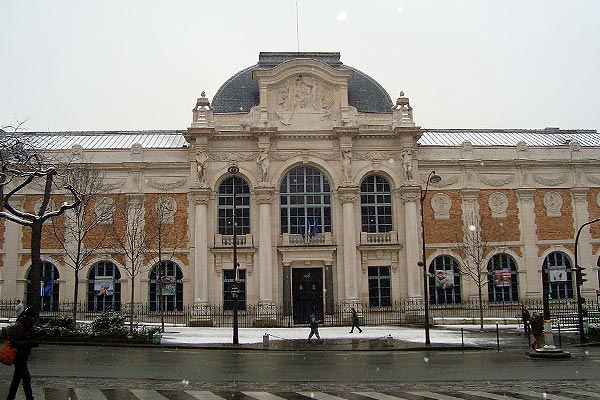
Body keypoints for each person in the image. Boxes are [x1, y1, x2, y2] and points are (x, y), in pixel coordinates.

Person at [6, 307, 39, 400]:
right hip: (18, 356)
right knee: (26, 377)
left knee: (17, 378)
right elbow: (13, 343)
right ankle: (29, 398)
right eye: (32, 317)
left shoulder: (30, 326)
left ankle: (10, 397)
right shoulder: (19, 326)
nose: (33, 319)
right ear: (28, 316)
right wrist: (27, 343)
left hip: (24, 355)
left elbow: (32, 339)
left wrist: (33, 343)